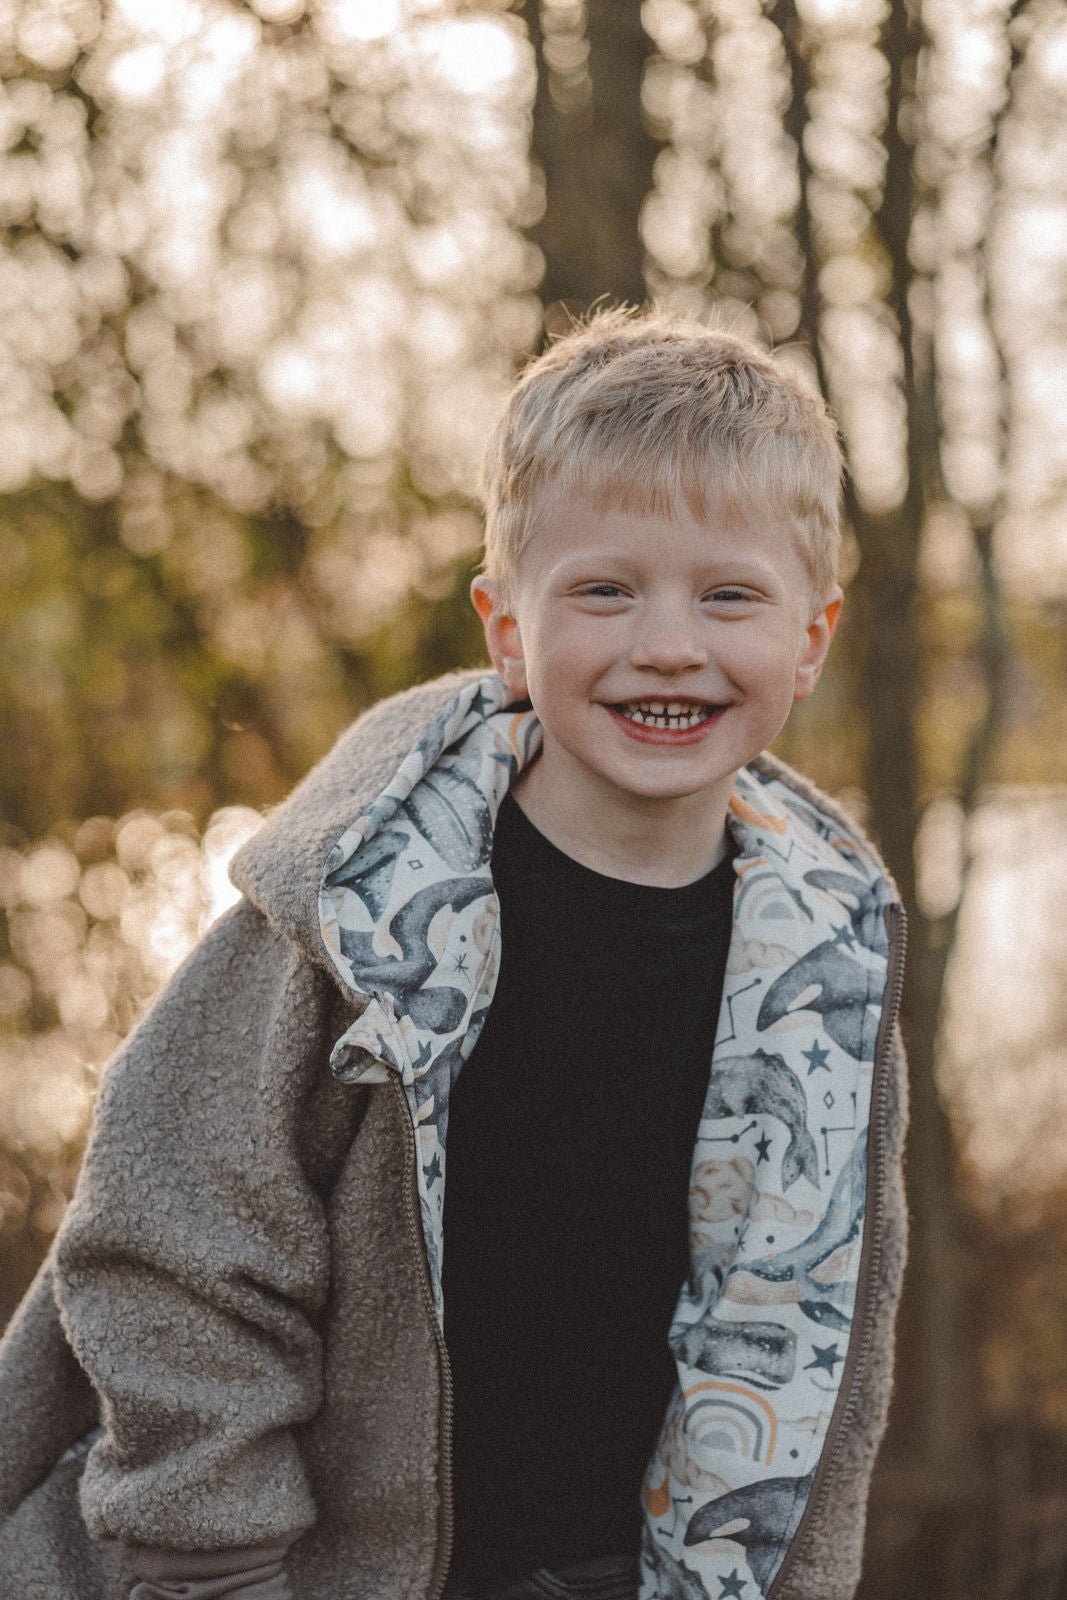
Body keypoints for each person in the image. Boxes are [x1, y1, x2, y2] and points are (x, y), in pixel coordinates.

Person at [0, 308, 908, 1600]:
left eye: (729, 596)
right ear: (506, 627)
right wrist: (218, 1565)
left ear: (809, 639)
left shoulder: (830, 969)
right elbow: (173, 1250)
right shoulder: (357, 914)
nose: (668, 643)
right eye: (604, 589)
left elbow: (835, 1353)